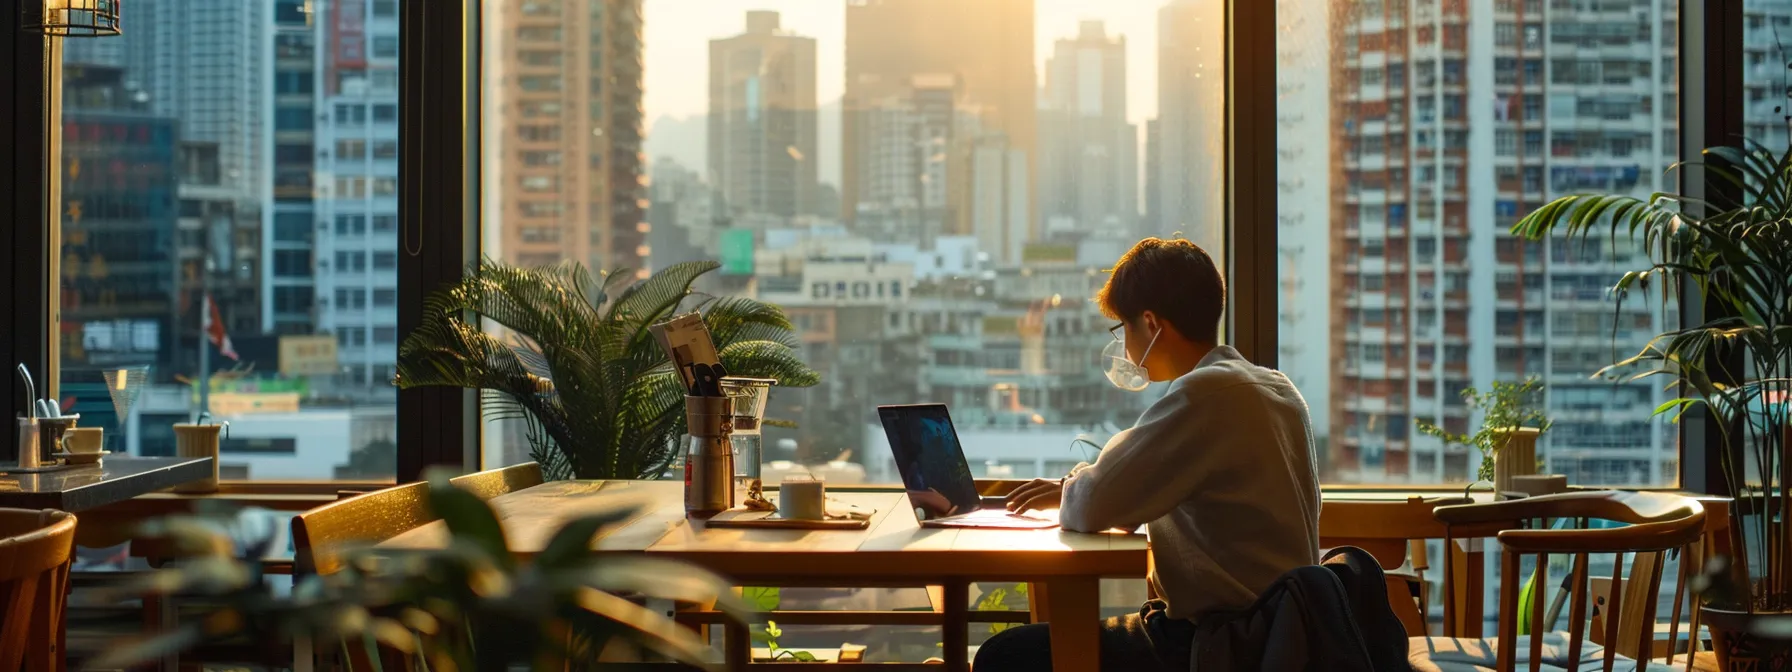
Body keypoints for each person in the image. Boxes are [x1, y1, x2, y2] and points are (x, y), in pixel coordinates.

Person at [973, 237, 1320, 672]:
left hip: (1222, 642)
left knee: (1004, 656)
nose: (1122, 343)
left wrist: (1071, 491)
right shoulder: (1274, 387)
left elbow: (1094, 503)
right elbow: (1129, 490)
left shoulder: (1205, 395)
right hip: (1281, 634)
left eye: (1122, 328)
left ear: (1152, 324)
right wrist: (1071, 489)